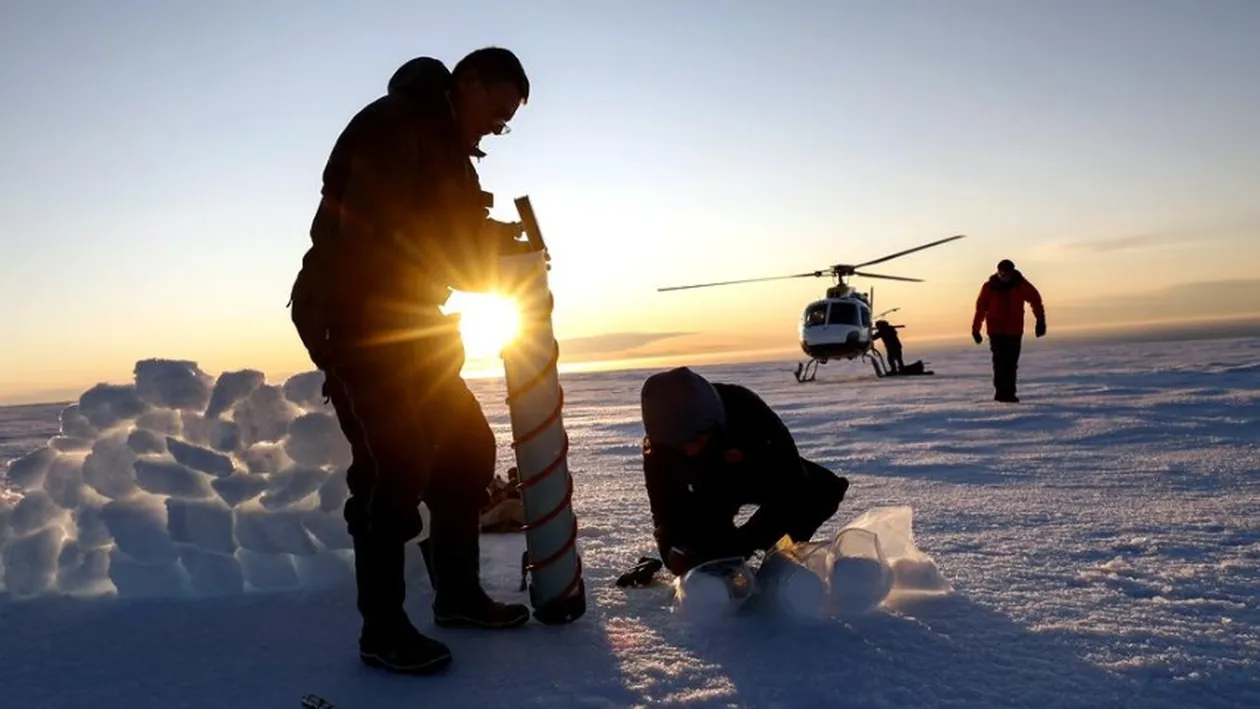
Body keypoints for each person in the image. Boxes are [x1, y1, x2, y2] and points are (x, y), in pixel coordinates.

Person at [286, 48, 535, 676]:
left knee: (465, 450)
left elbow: (443, 235)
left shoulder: (443, 144)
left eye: (505, 125)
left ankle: (455, 597)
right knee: (392, 466)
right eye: (495, 113)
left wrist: (501, 244)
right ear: (469, 82)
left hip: (409, 323)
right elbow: (392, 232)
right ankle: (383, 631)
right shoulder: (394, 125)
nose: (494, 130)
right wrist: (481, 257)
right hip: (354, 318)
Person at [637, 367, 850, 577]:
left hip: (757, 474)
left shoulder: (745, 408)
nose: (689, 450)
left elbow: (793, 477)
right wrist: (673, 552)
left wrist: (750, 541)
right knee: (708, 548)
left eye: (696, 440)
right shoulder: (658, 447)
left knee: (824, 489)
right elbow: (664, 509)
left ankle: (779, 563)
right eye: (679, 446)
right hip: (704, 494)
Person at [971, 259, 1046, 402]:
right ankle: (1000, 394)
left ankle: (1009, 393)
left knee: (1011, 364)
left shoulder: (1021, 285)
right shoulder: (989, 287)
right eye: (1001, 274)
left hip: (1014, 331)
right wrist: (976, 329)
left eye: (1006, 274)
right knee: (999, 363)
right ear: (998, 272)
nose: (1004, 277)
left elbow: (1035, 300)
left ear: (1012, 273)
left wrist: (1040, 321)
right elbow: (980, 309)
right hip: (996, 331)